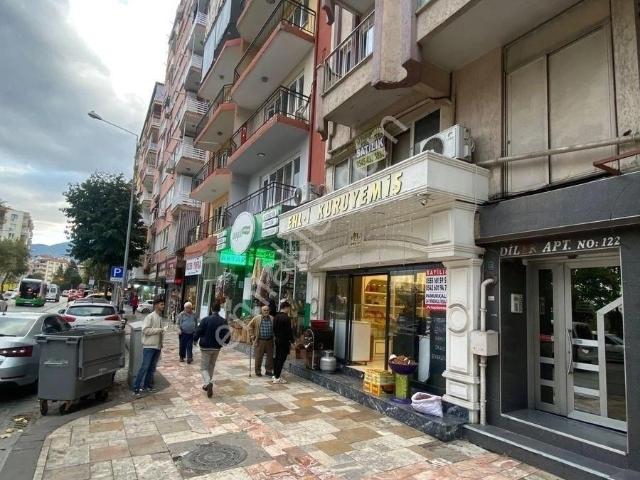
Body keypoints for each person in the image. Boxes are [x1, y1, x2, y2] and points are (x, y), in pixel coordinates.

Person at [133, 295, 167, 395]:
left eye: (163, 304)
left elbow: (159, 332)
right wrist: (159, 330)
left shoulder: (159, 317)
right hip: (149, 346)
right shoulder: (150, 317)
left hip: (157, 346)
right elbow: (145, 330)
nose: (163, 306)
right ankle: (136, 388)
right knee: (144, 367)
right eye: (161, 304)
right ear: (156, 305)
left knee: (151, 368)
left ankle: (147, 386)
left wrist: (161, 343)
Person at [194, 303, 230, 397]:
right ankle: (207, 384)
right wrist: (225, 342)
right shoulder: (223, 321)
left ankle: (208, 382)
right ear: (219, 309)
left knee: (204, 368)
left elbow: (199, 330)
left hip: (206, 347)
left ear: (211, 309)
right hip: (216, 347)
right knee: (211, 366)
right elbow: (227, 333)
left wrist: (195, 339)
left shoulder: (205, 320)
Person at [247, 305, 274, 377]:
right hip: (260, 340)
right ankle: (258, 371)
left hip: (270, 340)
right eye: (264, 310)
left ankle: (268, 370)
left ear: (269, 311)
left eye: (267, 310)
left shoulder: (272, 318)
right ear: (261, 311)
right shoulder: (257, 318)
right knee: (259, 357)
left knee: (270, 357)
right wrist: (252, 335)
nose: (266, 311)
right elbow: (249, 326)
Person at [272, 301, 294, 384]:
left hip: (277, 340)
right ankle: (277, 377)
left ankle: (275, 375)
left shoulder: (276, 316)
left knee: (277, 358)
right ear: (286, 307)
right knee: (281, 359)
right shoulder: (286, 318)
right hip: (284, 341)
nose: (289, 310)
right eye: (289, 308)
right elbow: (289, 331)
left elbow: (274, 329)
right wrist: (292, 341)